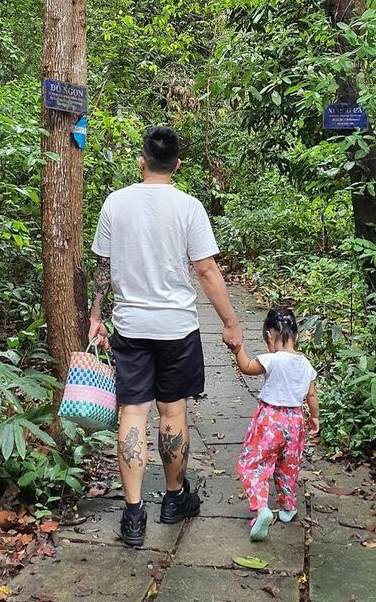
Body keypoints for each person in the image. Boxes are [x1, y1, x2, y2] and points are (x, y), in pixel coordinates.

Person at [88, 126, 243, 548]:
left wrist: (96, 315)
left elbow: (102, 266)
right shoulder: (189, 207)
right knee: (172, 413)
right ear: (176, 164)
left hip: (132, 327)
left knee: (133, 414)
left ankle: (134, 514)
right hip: (176, 328)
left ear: (142, 160)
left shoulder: (115, 203)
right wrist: (230, 322)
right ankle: (174, 499)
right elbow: (207, 271)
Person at [233, 307, 319, 542]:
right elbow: (311, 395)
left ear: (269, 336)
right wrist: (315, 417)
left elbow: (246, 367)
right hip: (295, 421)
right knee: (288, 466)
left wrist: (237, 348)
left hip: (270, 420)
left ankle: (261, 508)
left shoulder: (271, 359)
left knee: (253, 464)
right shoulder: (306, 365)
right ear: (296, 336)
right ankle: (288, 507)